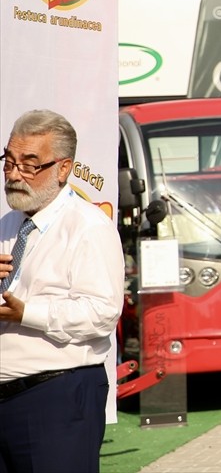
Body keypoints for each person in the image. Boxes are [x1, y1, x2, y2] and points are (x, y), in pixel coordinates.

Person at [0, 109, 123, 473]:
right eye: (8, 161)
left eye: (29, 164)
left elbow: (102, 312)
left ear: (63, 168)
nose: (13, 174)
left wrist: (28, 313)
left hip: (56, 398)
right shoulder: (8, 222)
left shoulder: (88, 228)